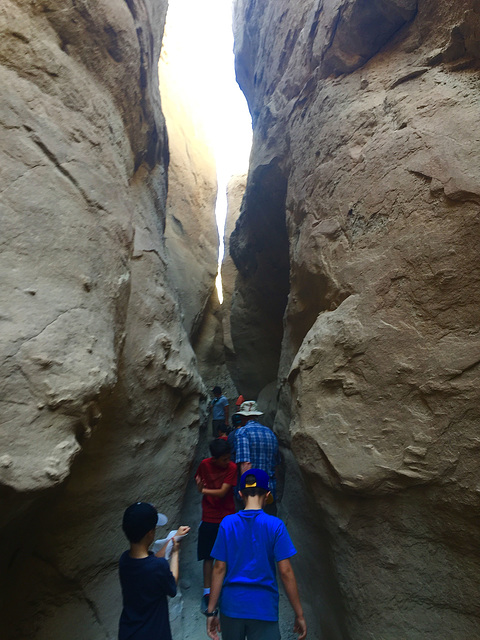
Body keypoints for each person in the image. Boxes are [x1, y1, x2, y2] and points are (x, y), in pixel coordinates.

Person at [205, 469, 307, 640]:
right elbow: (285, 572)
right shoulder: (276, 526)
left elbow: (219, 568)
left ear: (240, 494)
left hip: (232, 606)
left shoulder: (227, 524)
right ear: (267, 495)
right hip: (263, 607)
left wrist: (211, 612)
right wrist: (300, 614)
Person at [118, 501, 190, 640]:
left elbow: (151, 561)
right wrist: (175, 553)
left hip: (129, 632)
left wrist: (173, 539)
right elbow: (172, 586)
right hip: (154, 633)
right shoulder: (158, 566)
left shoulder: (124, 560)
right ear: (150, 533)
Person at [195, 439, 238, 614]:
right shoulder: (204, 465)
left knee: (227, 555)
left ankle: (223, 589)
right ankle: (208, 592)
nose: (227, 462)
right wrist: (200, 486)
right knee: (208, 557)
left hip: (227, 517)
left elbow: (222, 492)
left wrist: (203, 491)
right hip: (209, 517)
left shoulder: (232, 468)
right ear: (214, 458)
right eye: (224, 459)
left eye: (229, 458)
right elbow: (198, 478)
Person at [235, 400, 280, 515]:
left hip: (252, 494)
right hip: (269, 491)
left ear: (243, 417)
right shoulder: (270, 433)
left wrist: (246, 493)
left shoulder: (242, 432)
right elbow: (276, 465)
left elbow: (246, 463)